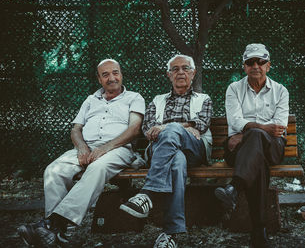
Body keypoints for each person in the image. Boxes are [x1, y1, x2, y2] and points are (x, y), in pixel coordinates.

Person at [18, 59, 145, 247]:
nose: (112, 78)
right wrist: (82, 147)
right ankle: (56, 235)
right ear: (99, 79)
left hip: (118, 149)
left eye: (115, 73)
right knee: (53, 170)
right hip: (87, 148)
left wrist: (105, 148)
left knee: (97, 168)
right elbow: (76, 130)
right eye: (105, 74)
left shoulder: (134, 98)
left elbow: (134, 130)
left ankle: (53, 225)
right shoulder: (90, 100)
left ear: (121, 74)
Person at [119, 55, 213, 248]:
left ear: (193, 73)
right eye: (175, 69)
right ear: (168, 75)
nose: (180, 72)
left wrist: (167, 128)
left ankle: (147, 194)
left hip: (195, 148)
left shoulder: (204, 99)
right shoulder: (157, 100)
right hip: (164, 150)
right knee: (177, 161)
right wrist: (184, 126)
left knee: (171, 130)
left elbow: (201, 124)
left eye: (185, 68)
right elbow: (148, 129)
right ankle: (170, 233)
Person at [215, 44, 289, 248]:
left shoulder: (281, 91)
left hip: (271, 147)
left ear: (268, 65)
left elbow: (279, 127)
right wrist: (260, 128)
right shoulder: (234, 89)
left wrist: (249, 132)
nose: (255, 65)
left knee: (256, 137)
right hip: (237, 150)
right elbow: (235, 120)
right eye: (250, 62)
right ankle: (259, 231)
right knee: (259, 164)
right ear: (244, 66)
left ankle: (235, 187)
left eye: (260, 62)